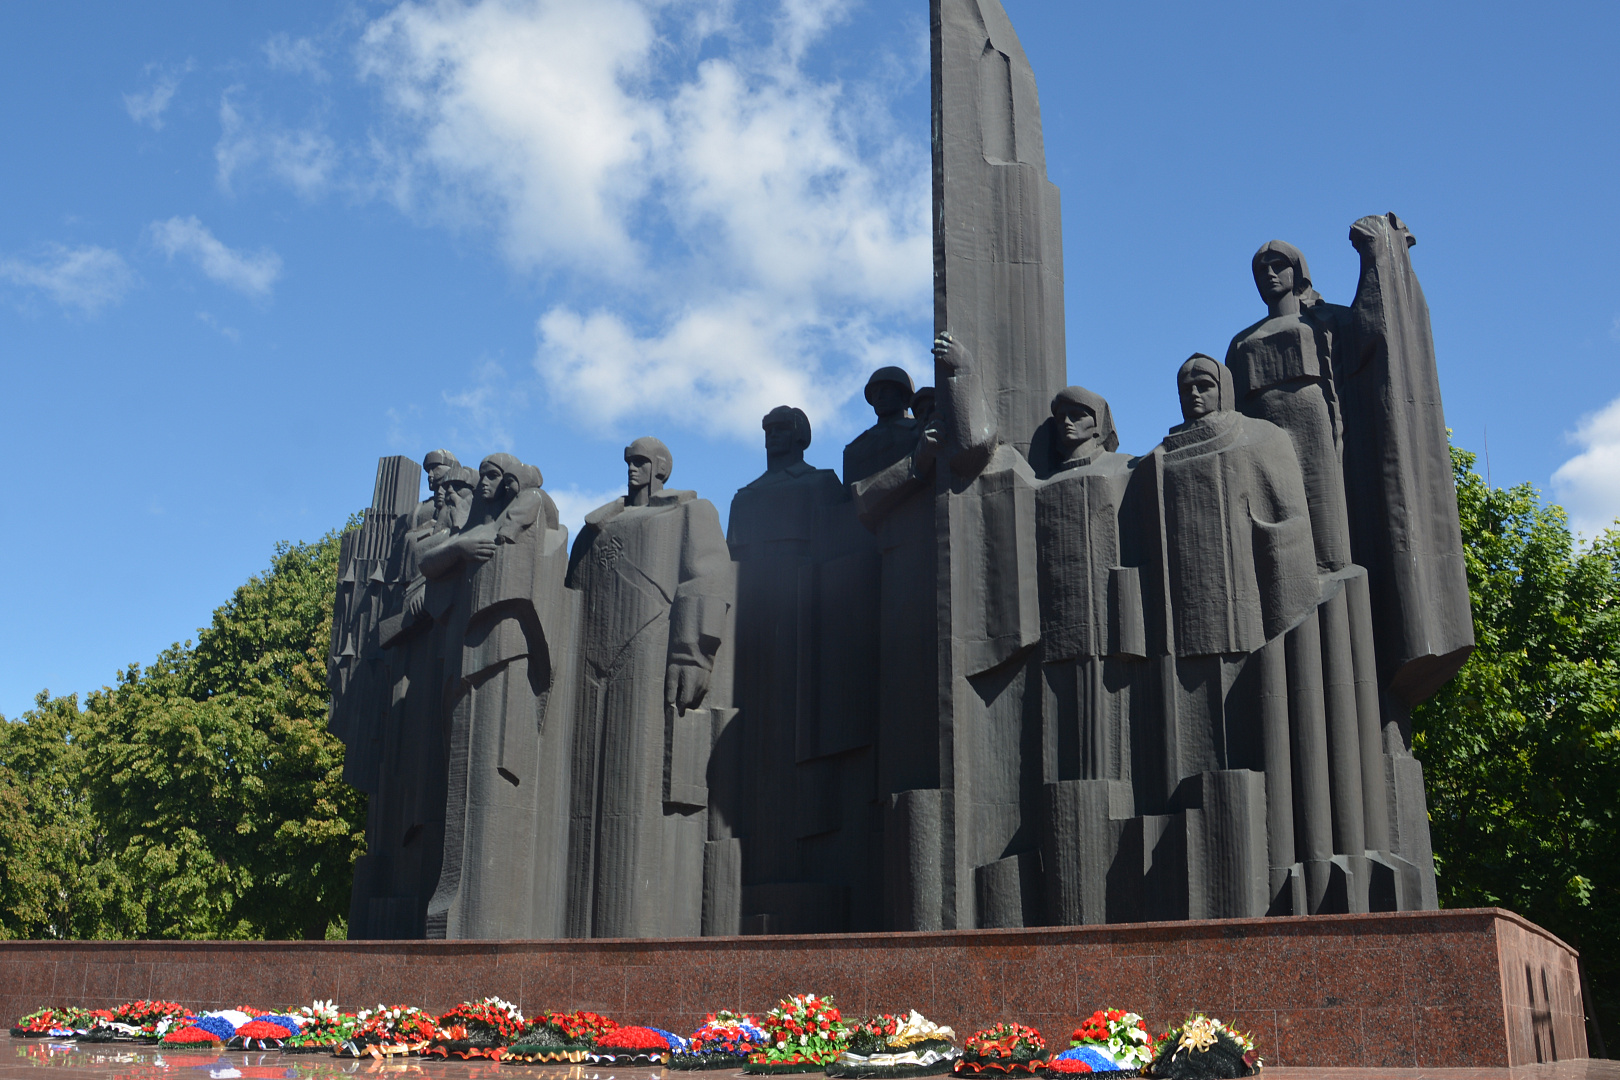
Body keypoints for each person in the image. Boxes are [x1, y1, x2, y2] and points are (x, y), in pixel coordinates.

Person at [564, 436, 733, 938]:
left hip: (650, 650)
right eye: (629, 462)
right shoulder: (596, 528)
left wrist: (691, 653)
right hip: (589, 660)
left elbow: (707, 580)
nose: (633, 470)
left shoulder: (689, 513)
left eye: (642, 462)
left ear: (661, 467)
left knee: (635, 780)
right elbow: (569, 592)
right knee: (582, 787)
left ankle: (628, 926)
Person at [421, 453, 573, 939]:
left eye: (493, 476)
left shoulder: (529, 509)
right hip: (465, 654)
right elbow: (427, 562)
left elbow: (536, 520)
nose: (483, 484)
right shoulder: (471, 528)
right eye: (481, 475)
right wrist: (465, 544)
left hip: (502, 649)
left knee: (494, 764)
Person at [843, 366, 918, 484]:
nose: (879, 397)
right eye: (874, 392)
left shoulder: (919, 430)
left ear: (904, 395)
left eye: (886, 390)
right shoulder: (855, 449)